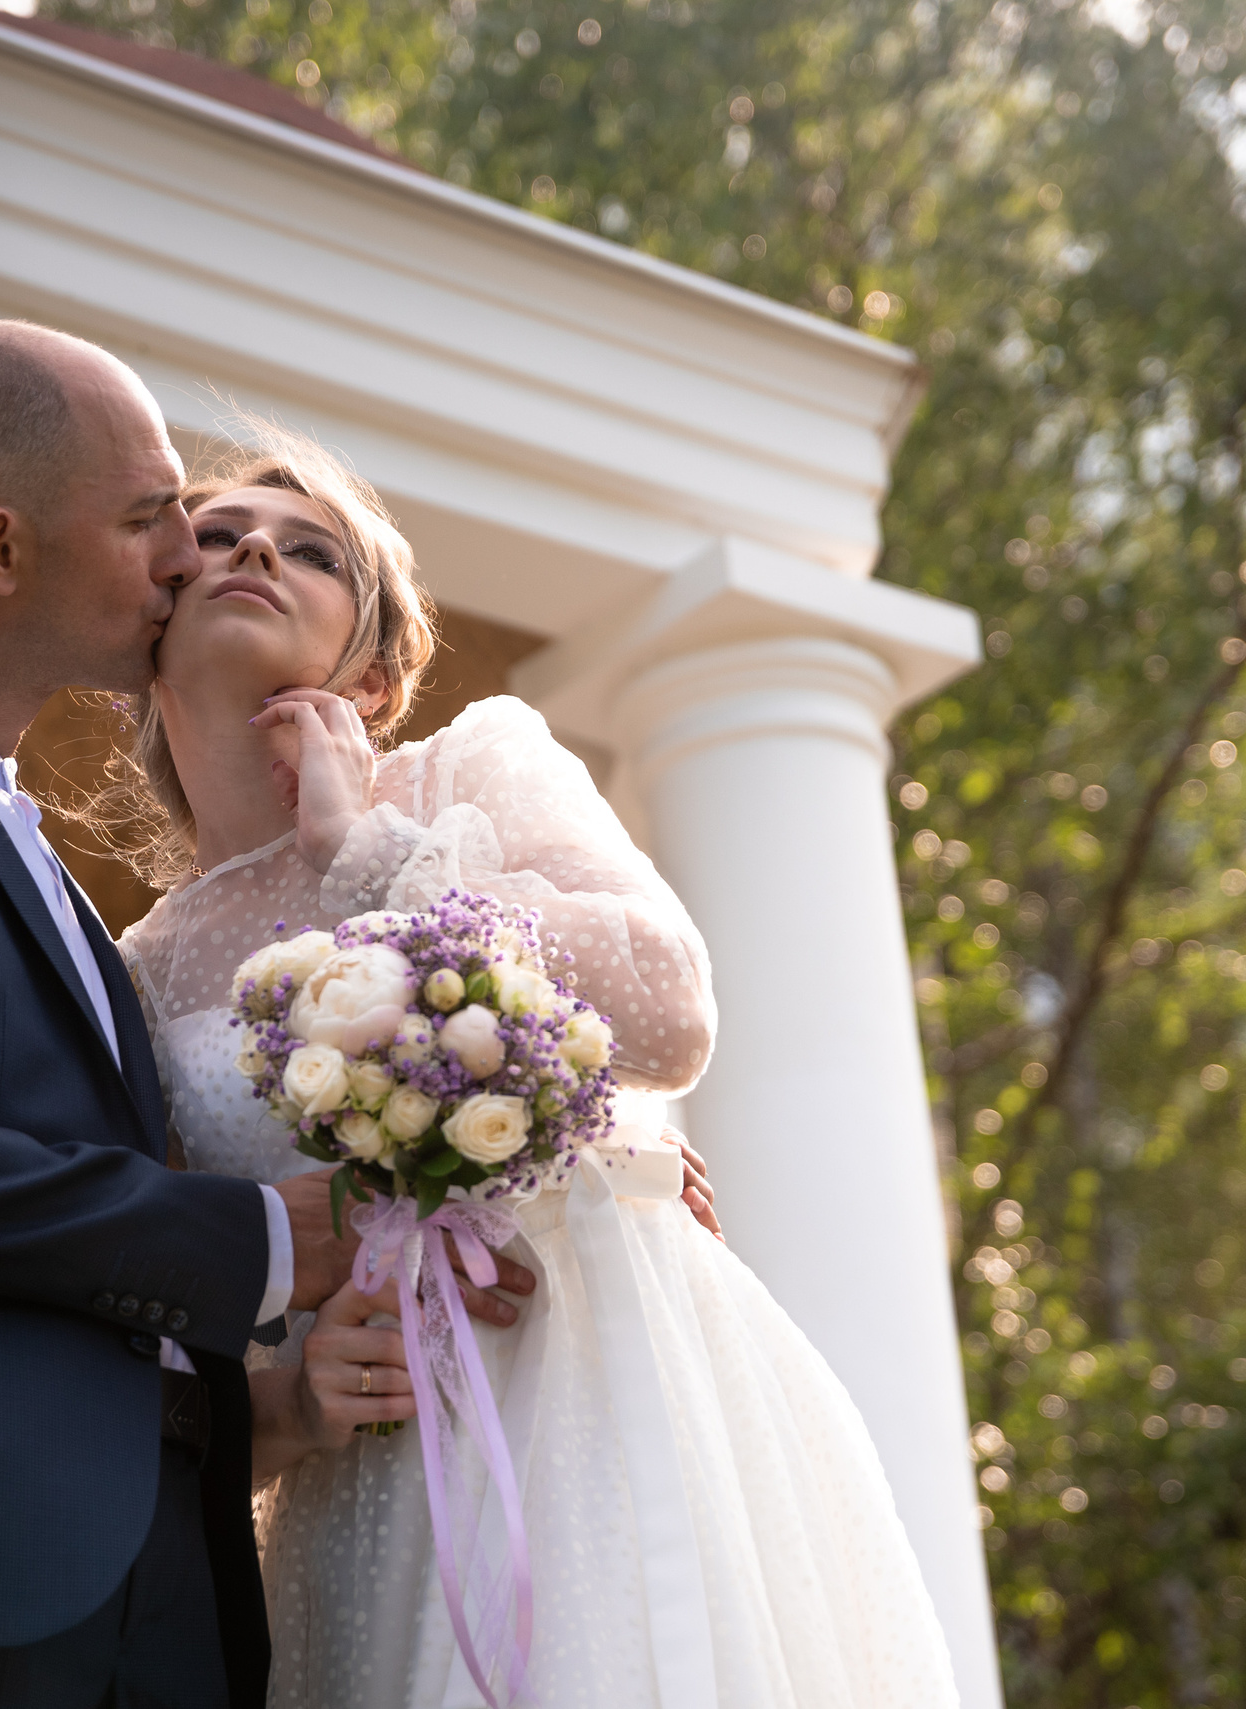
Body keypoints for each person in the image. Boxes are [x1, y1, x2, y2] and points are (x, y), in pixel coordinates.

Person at [0, 323, 535, 1708]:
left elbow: (91, 1289)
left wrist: (282, 1403)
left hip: (168, 1615)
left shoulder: (68, 891)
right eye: (149, 520)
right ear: (2, 549)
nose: (189, 559)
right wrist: (254, 1238)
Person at [106, 427, 961, 1707]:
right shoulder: (139, 968)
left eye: (311, 550)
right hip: (371, 1444)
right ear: (148, 628)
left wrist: (370, 854)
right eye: (217, 537)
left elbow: (666, 1006)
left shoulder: (471, 768)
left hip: (585, 1373)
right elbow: (153, 1280)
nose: (255, 554)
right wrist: (285, 1390)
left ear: (377, 674)